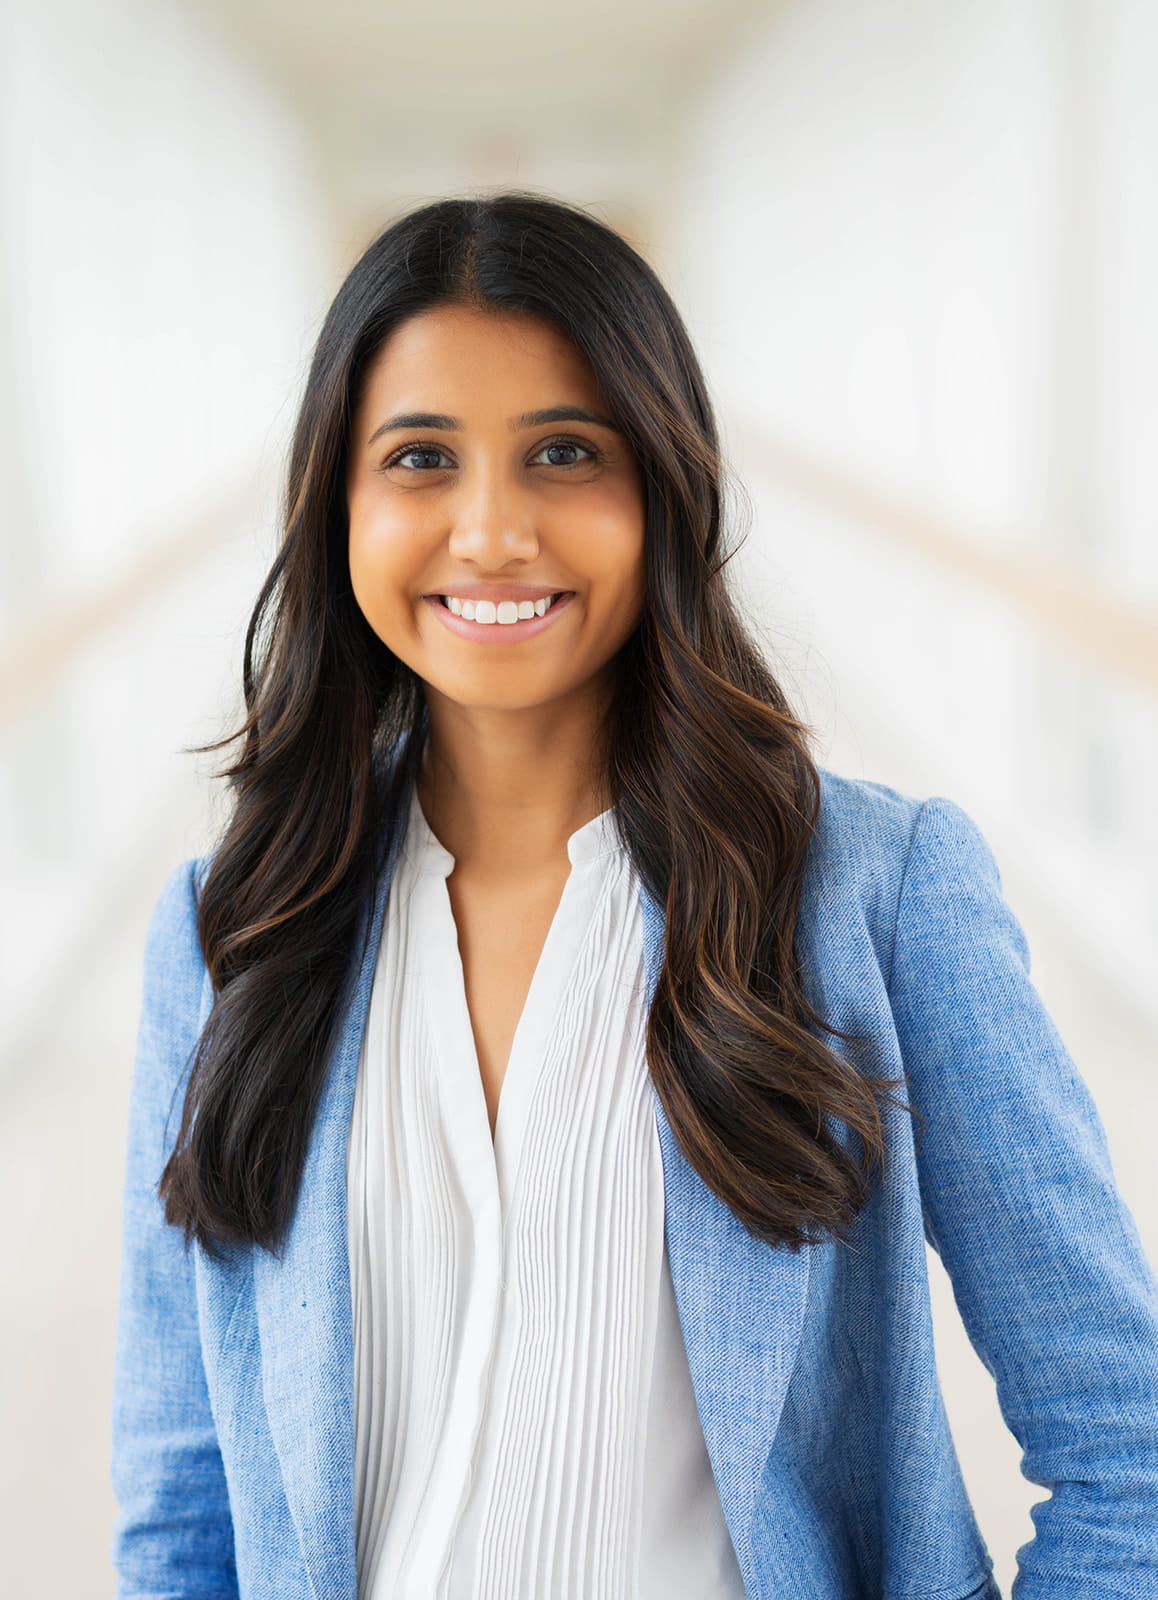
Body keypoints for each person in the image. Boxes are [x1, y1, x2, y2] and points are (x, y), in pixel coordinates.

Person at [110, 193, 1158, 1600]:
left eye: (564, 452)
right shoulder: (231, 937)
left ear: (663, 483)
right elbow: (181, 1512)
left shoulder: (874, 897)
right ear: (335, 503)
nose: (489, 532)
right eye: (420, 458)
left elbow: (1122, 1445)